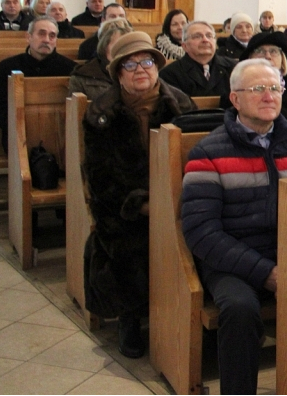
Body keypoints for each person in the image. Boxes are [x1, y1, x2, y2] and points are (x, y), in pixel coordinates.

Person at [181, 59, 287, 394]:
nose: (268, 96)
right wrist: (266, 273)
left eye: (275, 88)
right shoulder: (208, 152)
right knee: (240, 309)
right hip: (231, 261)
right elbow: (201, 232)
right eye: (258, 89)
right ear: (235, 99)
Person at [82, 32, 194, 358]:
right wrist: (141, 204)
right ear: (119, 73)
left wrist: (175, 202)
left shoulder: (182, 105)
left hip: (177, 197)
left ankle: (187, 313)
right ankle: (129, 315)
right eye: (130, 65)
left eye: (147, 61)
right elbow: (99, 178)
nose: (140, 69)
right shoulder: (101, 114)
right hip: (124, 205)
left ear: (158, 67)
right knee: (126, 241)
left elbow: (199, 160)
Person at [0, 17, 77, 150]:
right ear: (28, 37)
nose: (46, 40)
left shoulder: (70, 68)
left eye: (52, 36)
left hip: (60, 137)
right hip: (18, 138)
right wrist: (25, 128)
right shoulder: (8, 66)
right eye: (41, 34)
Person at [221, 31, 287, 127]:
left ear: (282, 60)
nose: (267, 56)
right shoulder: (236, 94)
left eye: (274, 51)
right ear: (249, 59)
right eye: (260, 51)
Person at [159, 21, 236, 98]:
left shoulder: (234, 68)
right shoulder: (170, 74)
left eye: (209, 36)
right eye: (197, 36)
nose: (205, 40)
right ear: (185, 46)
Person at [69, 17, 133, 100]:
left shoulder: (139, 71)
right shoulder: (83, 78)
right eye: (117, 44)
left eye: (127, 45)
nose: (123, 50)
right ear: (104, 45)